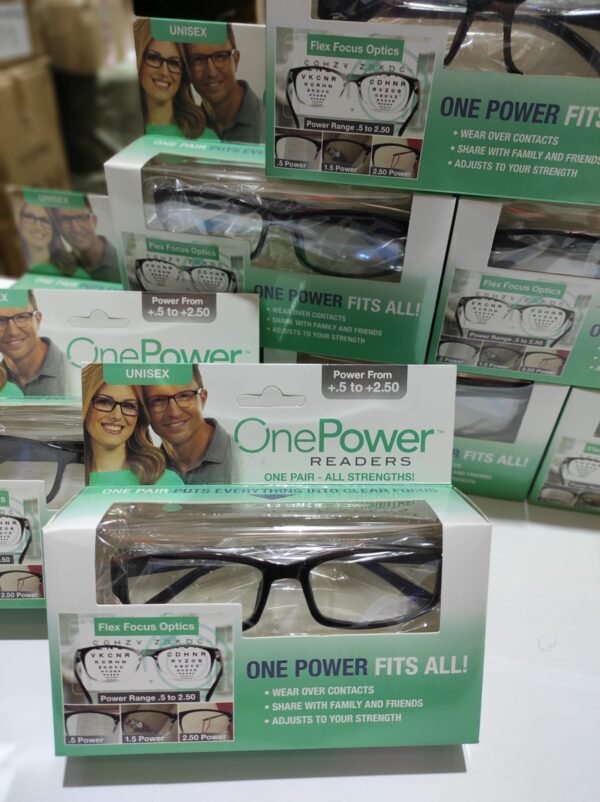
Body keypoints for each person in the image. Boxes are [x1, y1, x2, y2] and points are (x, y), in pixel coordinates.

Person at [82, 364, 184, 488]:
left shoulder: (166, 482)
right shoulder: (67, 477)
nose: (117, 416)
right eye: (104, 402)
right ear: (85, 405)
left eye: (128, 406)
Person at [143, 365, 232, 484]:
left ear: (203, 398)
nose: (174, 413)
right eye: (158, 400)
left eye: (184, 396)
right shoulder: (146, 471)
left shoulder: (245, 455)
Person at [185, 23, 264, 143]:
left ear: (235, 60)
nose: (211, 72)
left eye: (219, 56)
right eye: (198, 59)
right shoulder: (188, 129)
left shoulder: (269, 120)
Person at [134, 17, 208, 139]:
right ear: (138, 60)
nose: (164, 72)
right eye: (153, 58)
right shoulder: (118, 132)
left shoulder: (205, 136)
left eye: (174, 63)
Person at [0, 291, 66, 397]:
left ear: (38, 320)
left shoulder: (74, 372)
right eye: (0, 321)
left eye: (21, 317)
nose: (13, 332)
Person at [54, 199, 121, 284]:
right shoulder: (61, 269)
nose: (76, 228)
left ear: (94, 220)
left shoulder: (124, 264)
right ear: (58, 228)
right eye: (65, 220)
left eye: (81, 217)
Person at [17, 202, 83, 278]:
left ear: (54, 229)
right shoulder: (9, 269)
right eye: (30, 217)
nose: (38, 226)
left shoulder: (75, 273)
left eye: (45, 220)